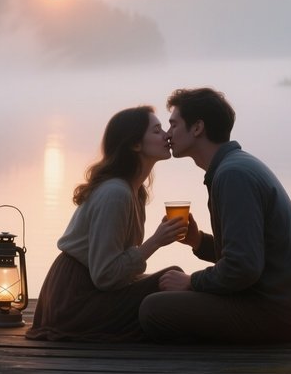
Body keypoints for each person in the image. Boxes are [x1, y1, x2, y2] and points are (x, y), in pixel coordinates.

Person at [139, 87, 291, 343]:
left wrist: (191, 282)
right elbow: (251, 257)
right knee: (161, 296)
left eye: (174, 124)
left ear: (197, 128)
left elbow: (243, 268)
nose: (168, 134)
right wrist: (198, 241)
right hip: (285, 307)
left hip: (276, 314)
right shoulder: (235, 166)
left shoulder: (233, 176)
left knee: (152, 309)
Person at [27, 105, 185, 342]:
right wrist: (155, 242)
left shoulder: (134, 191)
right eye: (157, 130)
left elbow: (111, 272)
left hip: (85, 292)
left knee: (171, 280)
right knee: (171, 282)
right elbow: (106, 276)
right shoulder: (115, 193)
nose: (166, 135)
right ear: (135, 144)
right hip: (75, 300)